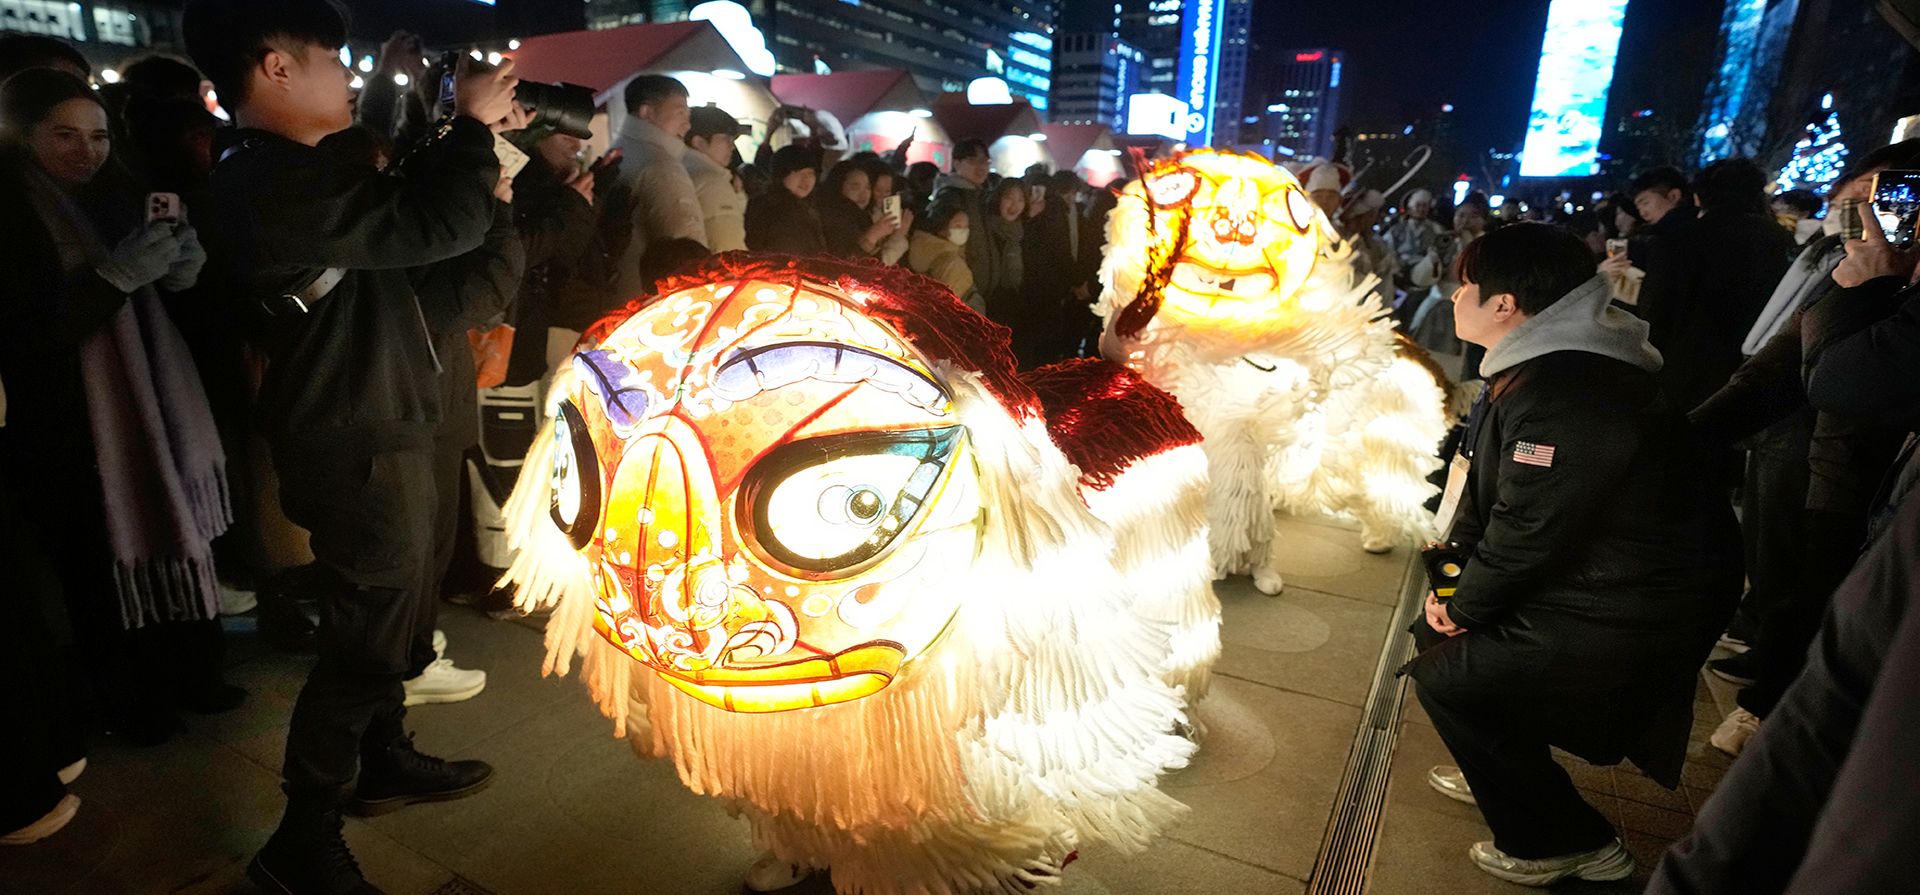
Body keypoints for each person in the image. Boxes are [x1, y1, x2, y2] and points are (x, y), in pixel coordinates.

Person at [183, 1, 515, 890]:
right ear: (276, 68)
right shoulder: (267, 179)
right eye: (333, 58)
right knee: (365, 637)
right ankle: (301, 838)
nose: (348, 74)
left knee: (396, 615)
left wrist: (438, 123)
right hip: (351, 433)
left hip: (375, 418)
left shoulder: (294, 171)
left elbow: (406, 208)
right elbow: (435, 225)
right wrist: (474, 128)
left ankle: (380, 756)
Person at [1405, 222, 1741, 887]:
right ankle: (1505, 775)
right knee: (1439, 639)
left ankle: (1568, 842)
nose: (1452, 295)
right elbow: (1486, 501)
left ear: (1505, 304)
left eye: (1466, 283)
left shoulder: (1566, 390)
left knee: (1449, 674)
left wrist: (1464, 603)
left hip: (1634, 604)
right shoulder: (1540, 362)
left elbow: (1529, 529)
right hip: (1600, 580)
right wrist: (1449, 585)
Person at [0, 68, 243, 750]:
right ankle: (130, 697)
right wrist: (112, 278)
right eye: (65, 135)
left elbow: (176, 309)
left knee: (179, 527)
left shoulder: (119, 198)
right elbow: (23, 336)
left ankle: (194, 671)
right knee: (96, 565)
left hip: (157, 410)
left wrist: (182, 271)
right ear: (23, 135)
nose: (87, 151)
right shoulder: (14, 211)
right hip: (68, 426)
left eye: (100, 135)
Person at [1688, 143, 1920, 754]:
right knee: (1796, 594)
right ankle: (1772, 707)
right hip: (1833, 474)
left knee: (1828, 616)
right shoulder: (1855, 274)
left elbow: (1840, 381)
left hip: (1876, 496)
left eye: (1882, 202)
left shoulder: (1882, 287)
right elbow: (1771, 374)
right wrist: (1670, 446)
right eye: (1852, 205)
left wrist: (1864, 286)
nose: (1862, 222)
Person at [608, 75, 705, 296]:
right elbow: (685, 245)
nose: (687, 124)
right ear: (646, 112)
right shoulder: (660, 165)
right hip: (651, 299)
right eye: (680, 113)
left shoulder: (617, 153)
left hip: (616, 291)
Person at [931, 139, 993, 294]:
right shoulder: (950, 195)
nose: (981, 166)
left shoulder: (981, 194)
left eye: (985, 161)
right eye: (973, 161)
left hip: (982, 285)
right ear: (957, 163)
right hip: (964, 287)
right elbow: (935, 226)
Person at [682, 104, 745, 253]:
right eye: (726, 139)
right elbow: (727, 247)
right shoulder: (712, 182)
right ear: (699, 142)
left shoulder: (679, 171)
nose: (732, 147)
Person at [744, 144, 825, 254]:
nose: (806, 179)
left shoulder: (808, 207)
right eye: (797, 172)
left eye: (810, 173)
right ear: (781, 175)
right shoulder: (776, 212)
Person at [815, 158, 900, 259]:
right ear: (838, 185)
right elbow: (844, 263)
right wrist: (873, 236)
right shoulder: (832, 218)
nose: (863, 194)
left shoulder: (862, 218)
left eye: (868, 188)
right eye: (855, 187)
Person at [906, 198, 978, 311]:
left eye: (966, 226)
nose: (964, 230)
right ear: (942, 227)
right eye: (958, 226)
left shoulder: (924, 250)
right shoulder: (951, 263)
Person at [980, 176, 1026, 327]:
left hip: (1012, 302)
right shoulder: (984, 227)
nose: (1015, 205)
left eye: (1020, 199)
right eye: (1009, 198)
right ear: (998, 198)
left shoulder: (1023, 230)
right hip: (985, 300)